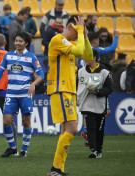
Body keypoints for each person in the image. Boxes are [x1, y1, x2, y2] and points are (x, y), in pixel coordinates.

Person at [47, 15, 93, 176]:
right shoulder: (58, 39)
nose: (78, 34)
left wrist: (85, 36)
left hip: (68, 90)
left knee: (65, 130)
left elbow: (88, 56)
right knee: (73, 129)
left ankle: (58, 169)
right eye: (77, 31)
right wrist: (81, 32)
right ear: (70, 27)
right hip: (61, 89)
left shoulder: (72, 42)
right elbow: (80, 51)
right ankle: (55, 168)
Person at [0, 32, 44, 158]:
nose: (17, 43)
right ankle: (12, 147)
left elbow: (41, 75)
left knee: (26, 122)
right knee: (6, 121)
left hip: (25, 94)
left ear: (26, 43)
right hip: (10, 94)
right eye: (16, 41)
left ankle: (24, 149)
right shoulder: (8, 56)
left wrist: (33, 83)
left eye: (20, 41)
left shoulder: (31, 57)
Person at [77, 49, 113, 158]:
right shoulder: (81, 71)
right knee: (90, 128)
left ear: (94, 58)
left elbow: (110, 88)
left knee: (99, 129)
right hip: (87, 104)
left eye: (87, 56)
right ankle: (93, 150)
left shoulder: (105, 72)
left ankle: (99, 149)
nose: (84, 58)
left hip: (100, 104)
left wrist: (98, 92)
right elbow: (77, 86)